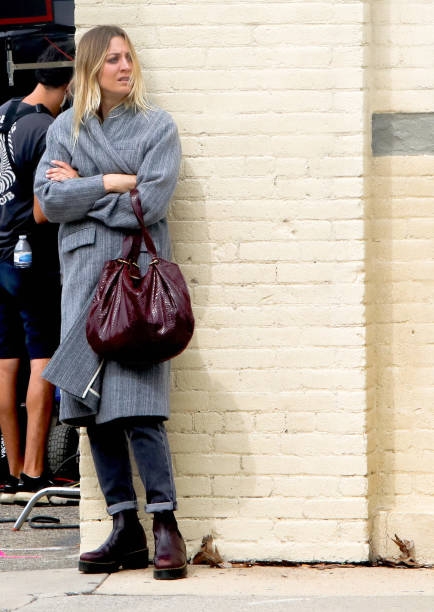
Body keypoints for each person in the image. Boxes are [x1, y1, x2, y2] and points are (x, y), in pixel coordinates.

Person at [34, 25, 187, 580]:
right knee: (92, 412)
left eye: (129, 57)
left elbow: (149, 203)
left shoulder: (157, 126)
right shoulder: (64, 128)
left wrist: (89, 186)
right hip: (81, 285)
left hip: (133, 285)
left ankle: (166, 524)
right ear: (92, 69)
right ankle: (125, 527)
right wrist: (112, 183)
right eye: (113, 59)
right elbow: (48, 200)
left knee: (139, 409)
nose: (125, 67)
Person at [0, 42, 74, 503]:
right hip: (30, 257)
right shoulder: (46, 128)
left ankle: (8, 474)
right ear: (68, 85)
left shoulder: (4, 113)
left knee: (5, 361)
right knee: (42, 357)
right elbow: (45, 210)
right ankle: (33, 473)